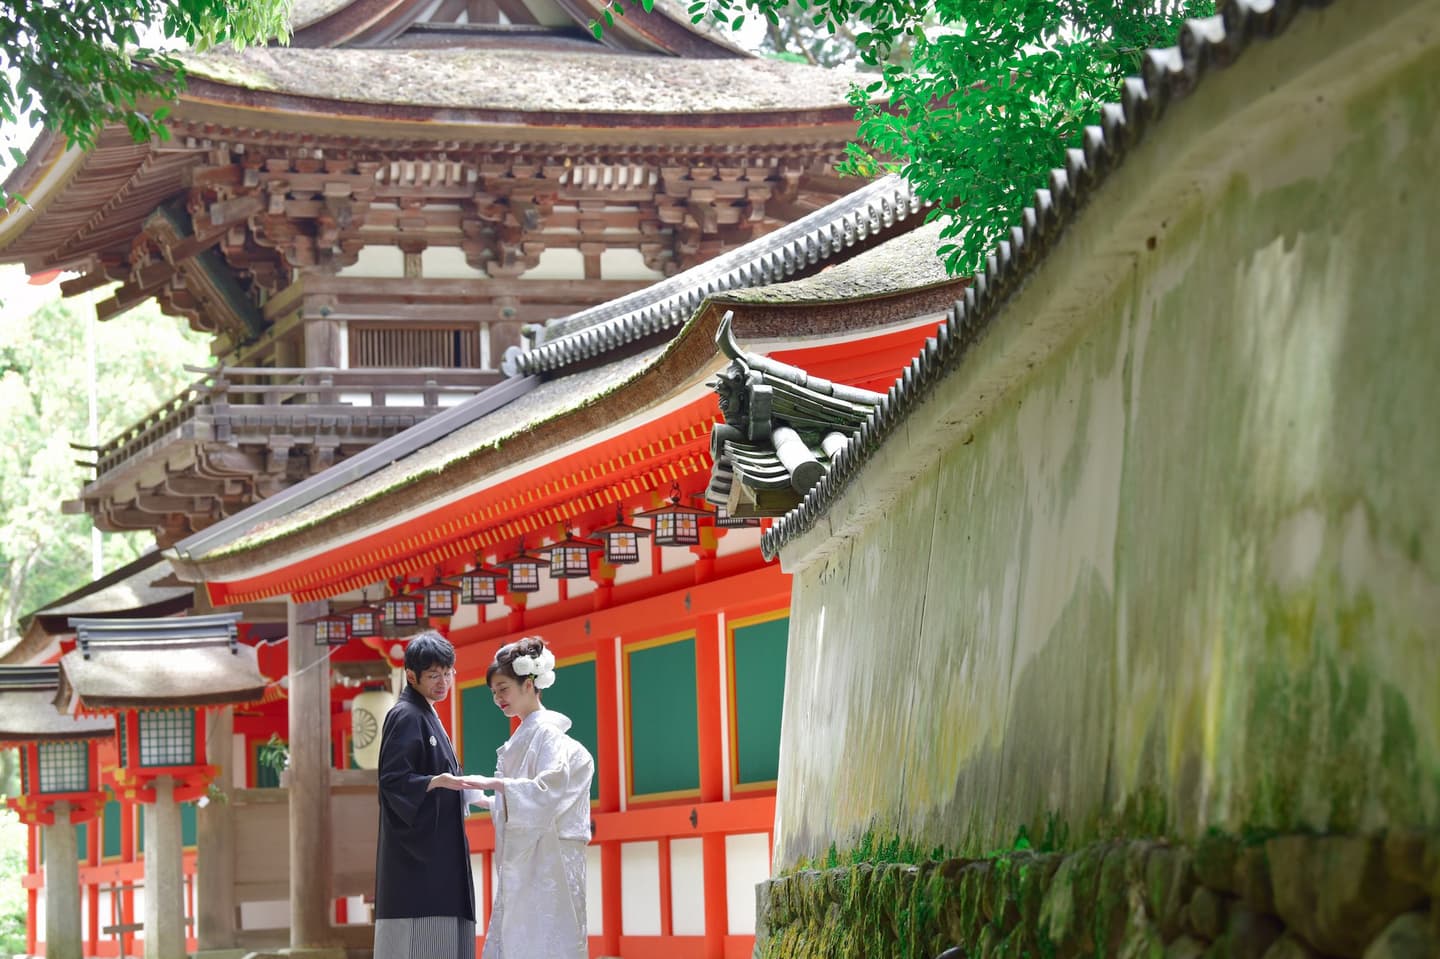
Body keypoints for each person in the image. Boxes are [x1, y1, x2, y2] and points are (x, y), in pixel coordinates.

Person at [433, 636, 594, 959]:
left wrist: (490, 782)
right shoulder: (527, 735)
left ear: (529, 684)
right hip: (535, 852)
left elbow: (547, 789)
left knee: (543, 936)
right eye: (493, 692)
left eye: (503, 688)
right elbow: (524, 803)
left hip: (552, 857)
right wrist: (481, 797)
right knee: (524, 934)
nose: (497, 698)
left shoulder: (546, 734)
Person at [374, 630, 479, 959]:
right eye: (434, 675)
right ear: (411, 676)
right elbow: (392, 780)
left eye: (448, 673)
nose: (443, 682)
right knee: (424, 940)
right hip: (419, 858)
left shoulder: (426, 713)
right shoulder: (405, 715)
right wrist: (433, 782)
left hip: (440, 845)